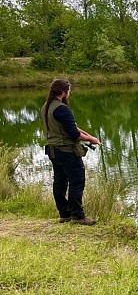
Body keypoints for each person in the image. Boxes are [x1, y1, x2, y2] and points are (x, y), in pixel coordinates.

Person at [40, 79, 101, 225]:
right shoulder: (62, 109)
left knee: (59, 182)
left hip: (53, 150)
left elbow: (71, 127)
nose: (69, 94)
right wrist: (92, 140)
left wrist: (89, 136)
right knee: (77, 181)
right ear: (63, 92)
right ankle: (78, 216)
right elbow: (74, 134)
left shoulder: (46, 107)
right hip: (67, 151)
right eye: (68, 91)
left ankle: (65, 214)